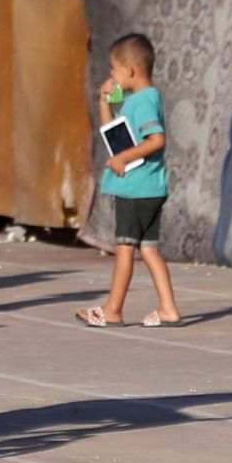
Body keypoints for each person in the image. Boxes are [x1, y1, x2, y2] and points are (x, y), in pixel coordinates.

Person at [75, 33, 183, 329]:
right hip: (149, 188)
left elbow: (156, 139)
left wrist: (123, 159)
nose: (111, 74)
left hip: (136, 189)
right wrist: (104, 101)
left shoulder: (144, 101)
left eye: (114, 69)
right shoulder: (140, 98)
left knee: (124, 249)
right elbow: (114, 132)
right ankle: (168, 309)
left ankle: (112, 310)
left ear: (131, 70)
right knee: (149, 249)